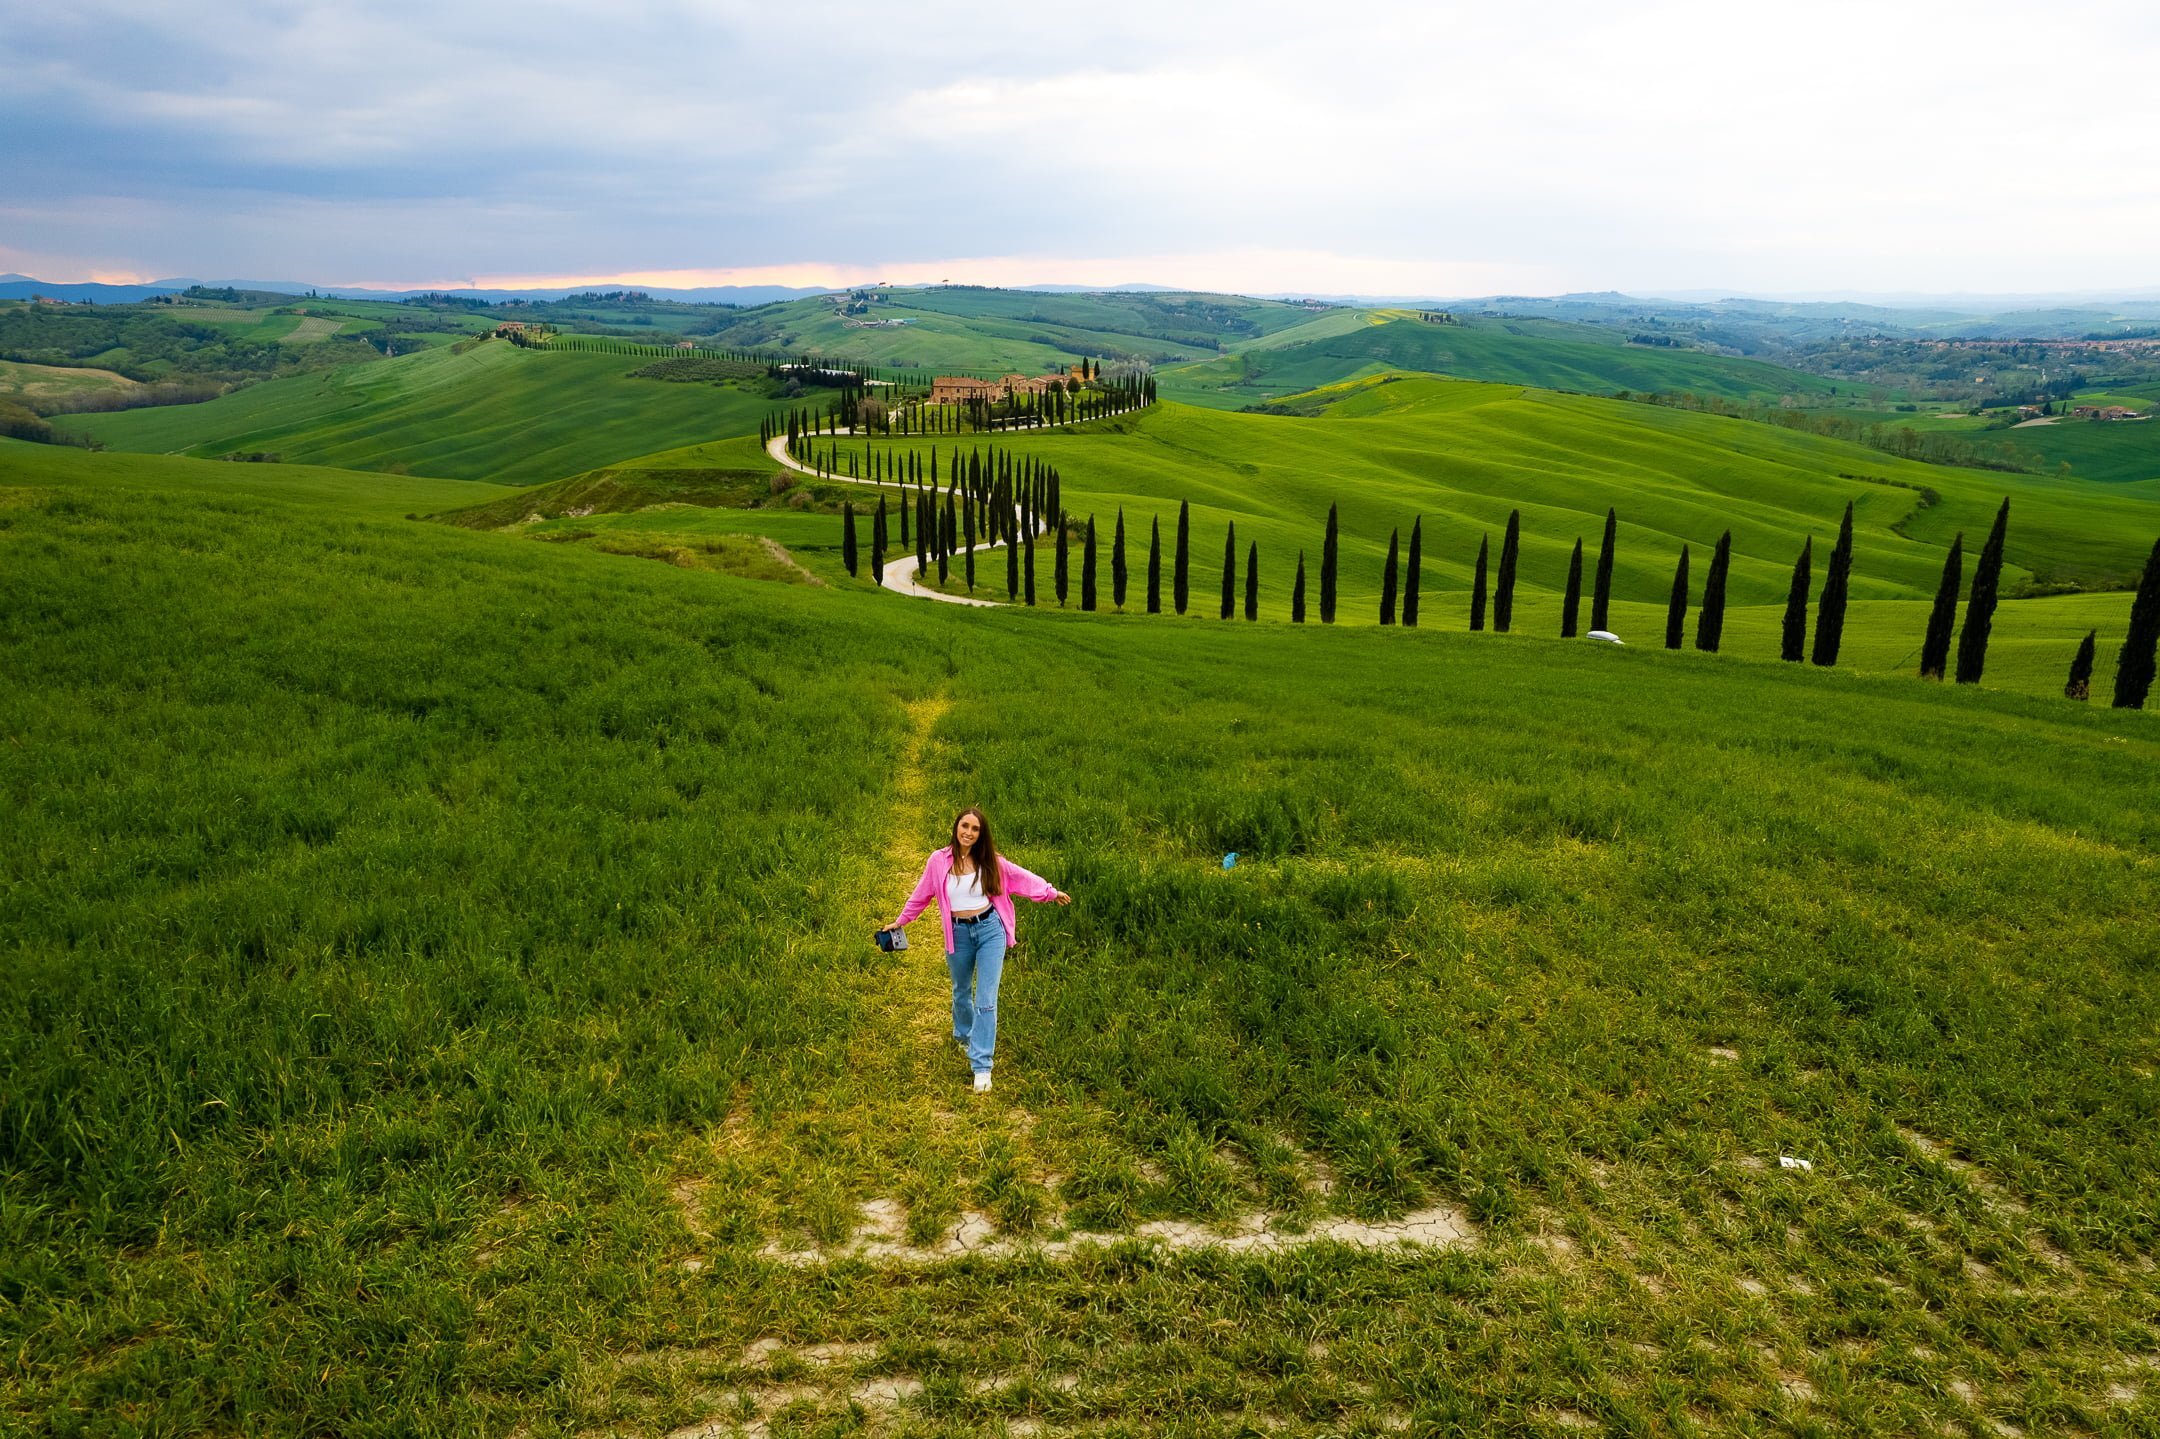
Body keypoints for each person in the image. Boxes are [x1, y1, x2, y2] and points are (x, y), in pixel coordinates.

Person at [883, 807, 1070, 1093]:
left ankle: (982, 1065)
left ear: (981, 835)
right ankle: (963, 1034)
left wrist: (1050, 892)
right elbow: (921, 895)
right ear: (956, 827)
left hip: (989, 930)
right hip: (958, 934)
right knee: (960, 990)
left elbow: (1022, 878)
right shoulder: (938, 861)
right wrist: (899, 921)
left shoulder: (990, 862)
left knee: (986, 998)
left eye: (975, 829)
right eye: (965, 826)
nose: (968, 833)